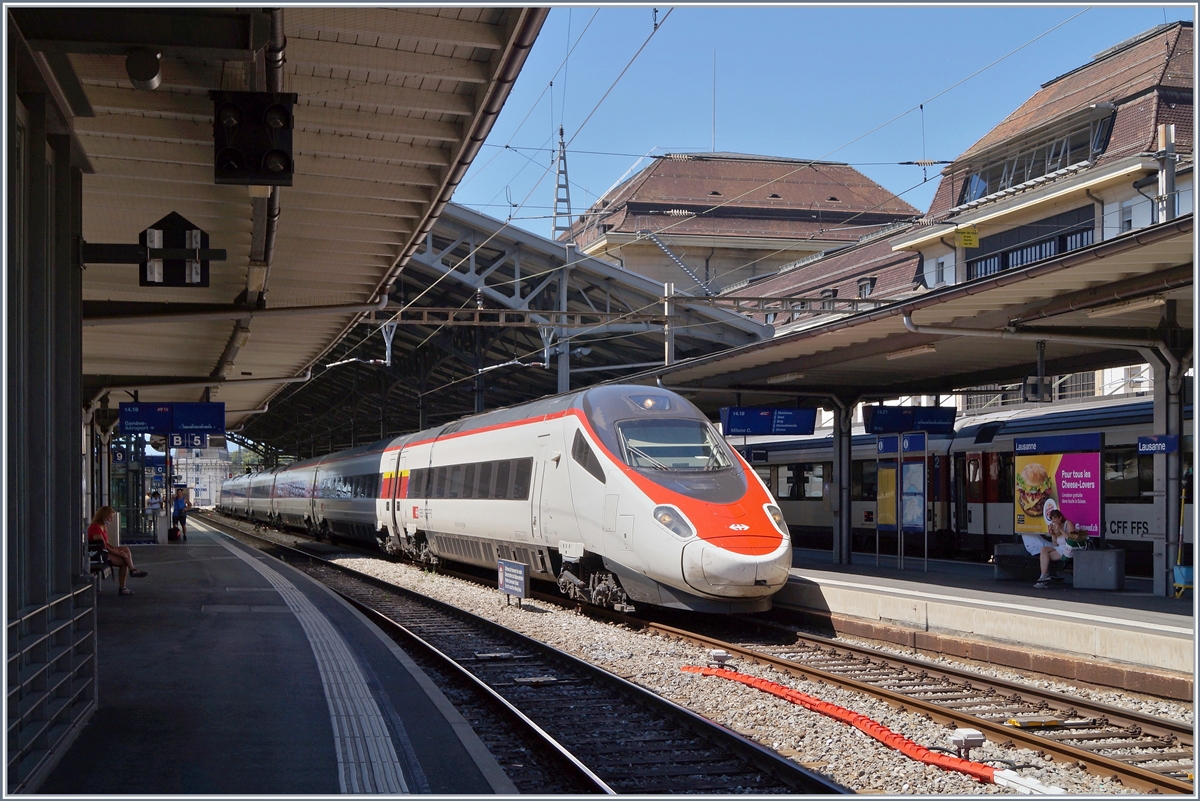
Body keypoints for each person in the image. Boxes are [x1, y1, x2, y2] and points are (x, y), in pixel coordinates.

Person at [88, 506, 148, 596]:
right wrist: (118, 553)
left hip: (102, 550)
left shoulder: (103, 526)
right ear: (103, 516)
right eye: (110, 517)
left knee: (125, 549)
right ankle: (124, 584)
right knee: (124, 562)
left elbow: (106, 544)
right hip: (98, 553)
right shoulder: (95, 527)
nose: (111, 520)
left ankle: (132, 569)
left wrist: (117, 550)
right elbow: (102, 545)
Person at [1022, 510, 1075, 589]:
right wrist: (1053, 534)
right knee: (1044, 550)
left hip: (1068, 549)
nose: (1053, 521)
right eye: (1052, 519)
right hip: (1060, 548)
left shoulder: (1068, 524)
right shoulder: (1056, 528)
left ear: (1060, 518)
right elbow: (1055, 544)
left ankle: (1043, 579)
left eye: (1055, 518)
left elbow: (1071, 540)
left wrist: (1060, 529)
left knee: (1045, 556)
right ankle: (1044, 575)